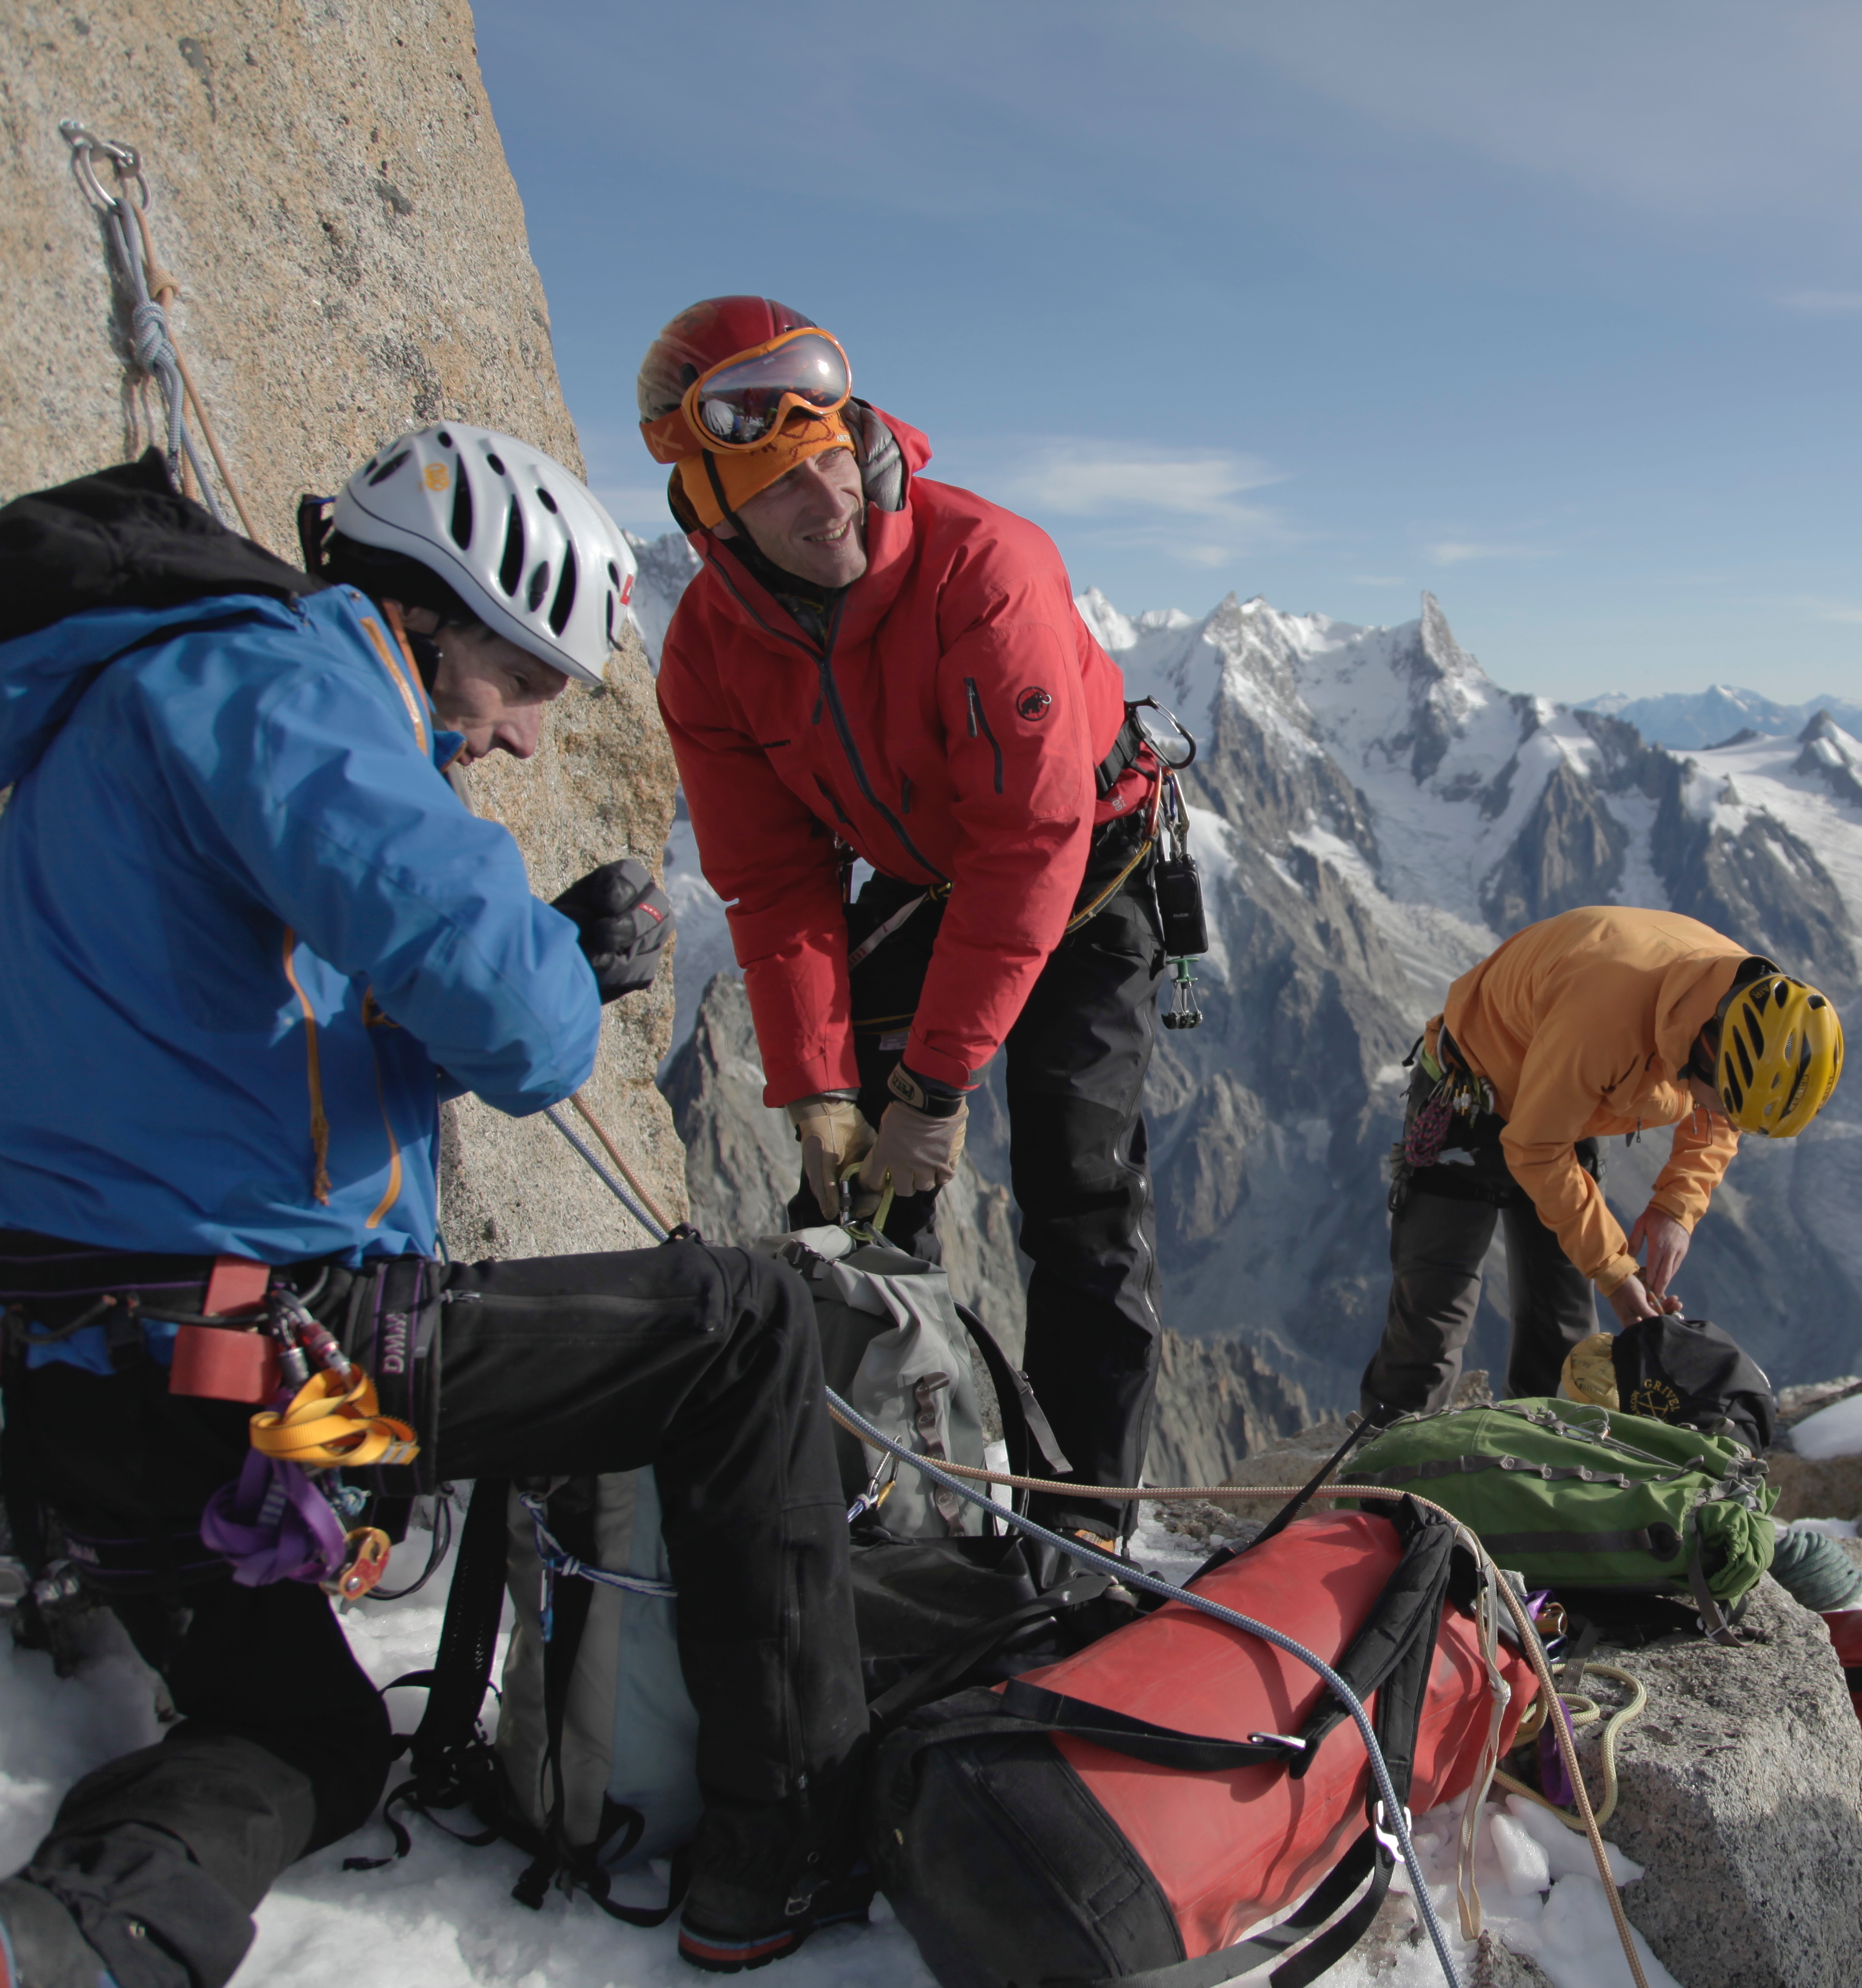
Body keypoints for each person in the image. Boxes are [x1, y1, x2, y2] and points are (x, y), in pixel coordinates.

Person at [0, 430, 865, 1985]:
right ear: (438, 617)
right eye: (528, 679)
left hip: (96, 1395)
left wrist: (529, 938)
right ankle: (783, 1848)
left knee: (309, 1734)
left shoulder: (146, 702)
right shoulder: (289, 685)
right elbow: (522, 1037)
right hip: (269, 1363)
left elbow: (278, 1018)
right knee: (746, 1321)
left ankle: (76, 1930)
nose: (532, 736)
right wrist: (552, 958)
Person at [636, 297, 1165, 1544]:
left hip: (1085, 871)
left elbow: (1030, 840)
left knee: (1078, 1193)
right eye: (778, 488)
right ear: (713, 511)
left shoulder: (985, 562)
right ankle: (867, 1488)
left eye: (828, 461)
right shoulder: (709, 653)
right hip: (928, 884)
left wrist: (932, 1086)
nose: (824, 506)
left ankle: (1089, 1518)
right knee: (849, 1197)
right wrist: (819, 1086)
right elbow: (773, 886)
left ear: (860, 435)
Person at [1355, 904, 1845, 1419]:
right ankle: (1386, 1465)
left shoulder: (1740, 1006)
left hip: (1575, 1110)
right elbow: (1535, 1148)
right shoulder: (1603, 1016)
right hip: (1468, 1104)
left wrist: (1678, 1206)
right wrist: (1614, 1271)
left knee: (1564, 1326)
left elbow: (1721, 1113)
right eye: (1718, 1101)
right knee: (1432, 1317)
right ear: (1704, 1051)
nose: (1717, 1116)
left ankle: (1530, 1460)